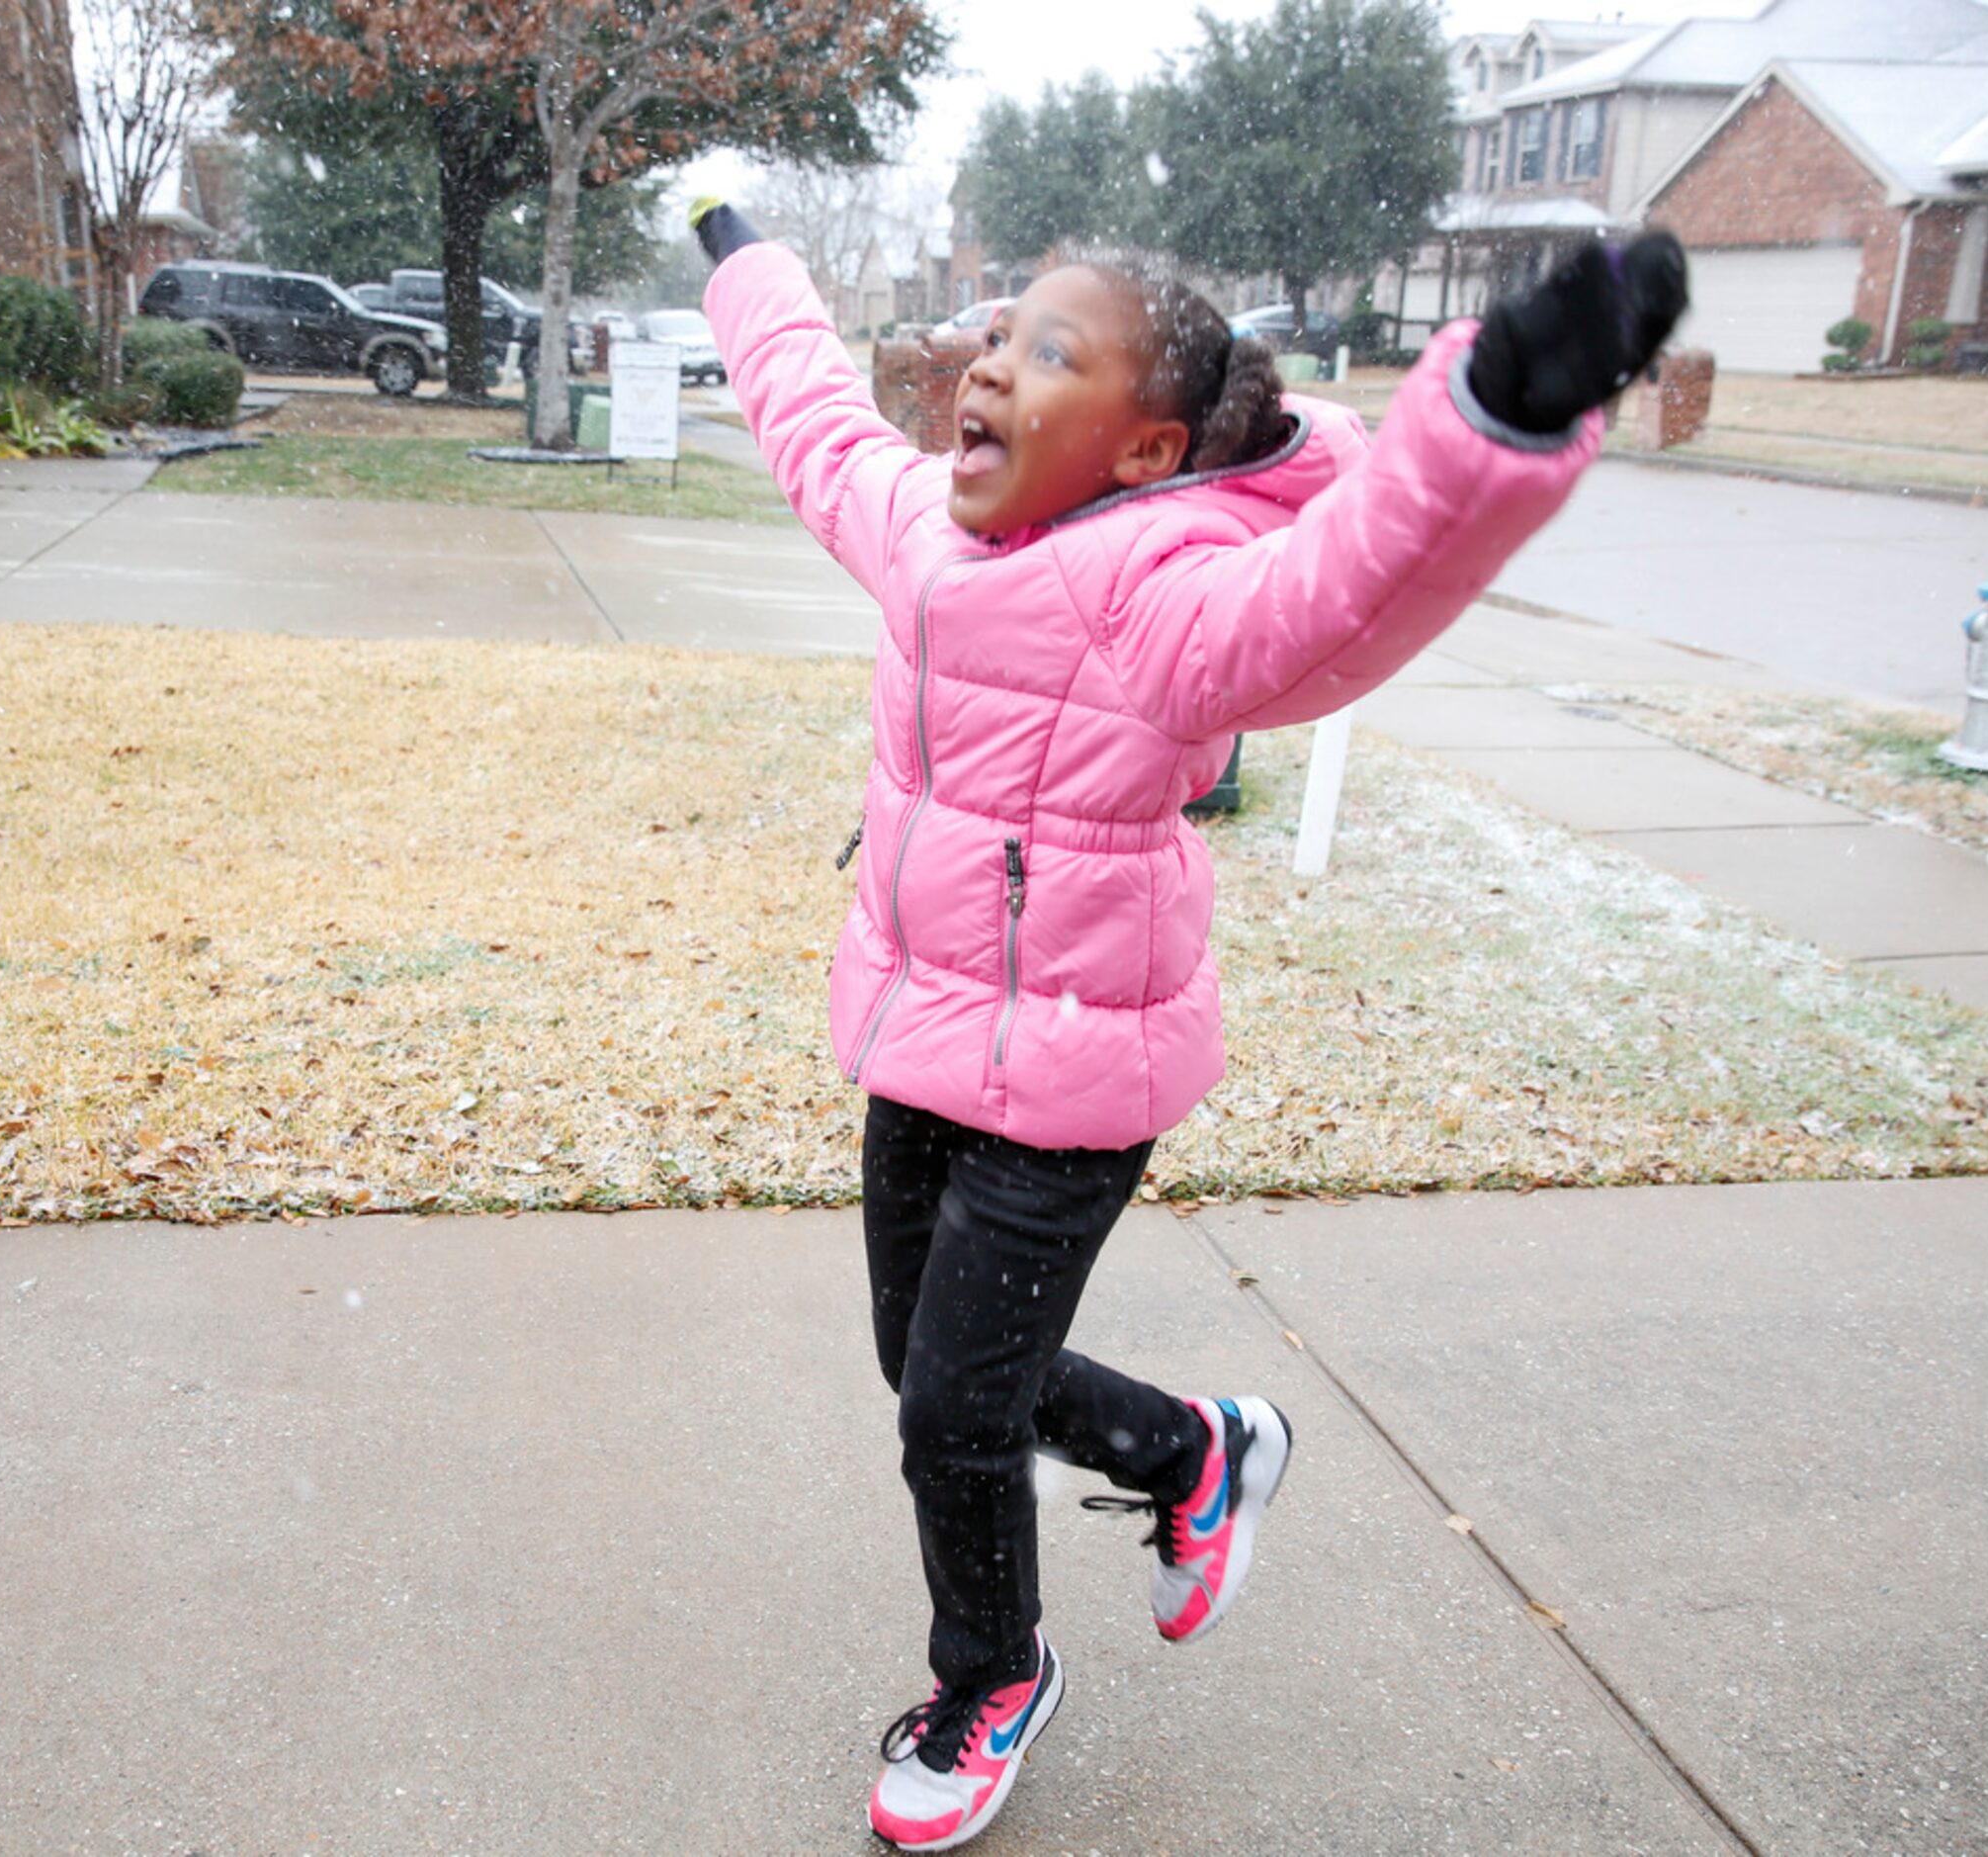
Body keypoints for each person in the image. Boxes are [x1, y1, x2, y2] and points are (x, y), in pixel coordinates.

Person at [686, 197, 1685, 1853]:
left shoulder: (1162, 595)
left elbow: (1345, 591)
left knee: (950, 1410)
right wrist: (746, 263)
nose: (989, 365)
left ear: (1146, 448)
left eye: (1047, 352)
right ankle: (1191, 1446)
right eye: (996, 335)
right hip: (923, 1035)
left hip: (1071, 1083)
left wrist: (1499, 408)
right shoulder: (926, 527)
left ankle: (990, 1673)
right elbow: (805, 413)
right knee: (918, 1362)